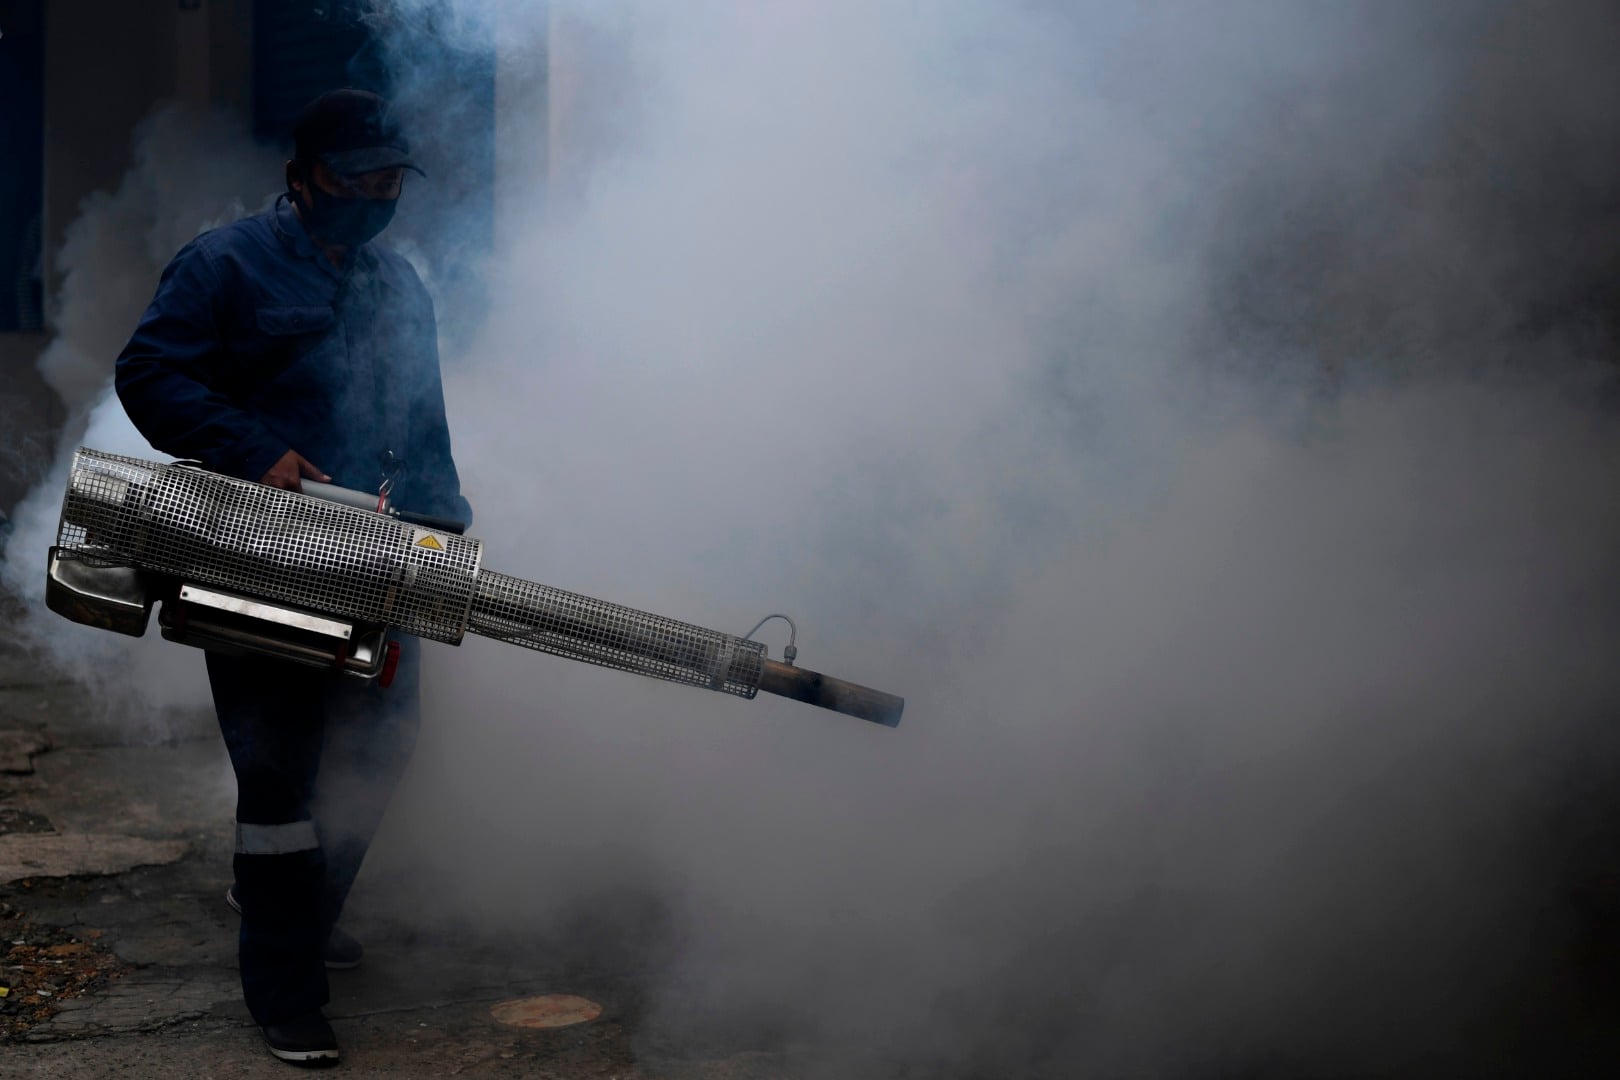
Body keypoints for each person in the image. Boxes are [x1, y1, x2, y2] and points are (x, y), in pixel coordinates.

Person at [115, 88, 470, 1065]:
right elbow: (150, 373)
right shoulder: (223, 264)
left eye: (389, 180)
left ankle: (300, 914)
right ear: (303, 179)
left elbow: (427, 434)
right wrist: (249, 447)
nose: (374, 196)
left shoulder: (399, 286)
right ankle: (284, 991)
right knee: (279, 774)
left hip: (365, 555)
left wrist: (439, 544)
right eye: (356, 179)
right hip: (248, 552)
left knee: (384, 744)